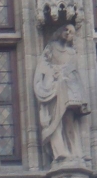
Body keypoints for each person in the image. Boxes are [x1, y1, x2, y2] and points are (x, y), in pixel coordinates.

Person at [34, 24, 89, 163]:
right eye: (65, 30)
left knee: (69, 121)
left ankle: (75, 151)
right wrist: (53, 73)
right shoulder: (51, 47)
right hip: (53, 88)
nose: (68, 33)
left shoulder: (72, 53)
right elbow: (43, 66)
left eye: (71, 32)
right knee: (55, 121)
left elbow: (74, 71)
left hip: (68, 89)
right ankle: (59, 152)